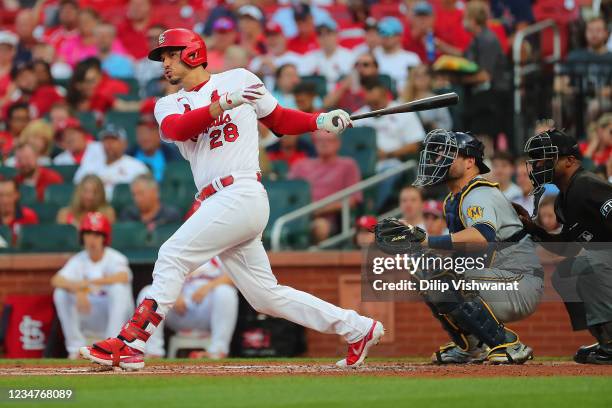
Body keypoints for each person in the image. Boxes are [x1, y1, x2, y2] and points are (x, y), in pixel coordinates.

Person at [79, 28, 383, 370]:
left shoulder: (240, 78)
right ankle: (358, 328)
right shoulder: (168, 103)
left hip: (241, 191)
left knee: (171, 255)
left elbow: (279, 120)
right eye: (162, 57)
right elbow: (180, 129)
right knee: (265, 296)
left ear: (192, 53)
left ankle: (132, 341)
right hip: (217, 201)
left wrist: (321, 120)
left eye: (170, 55)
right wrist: (224, 102)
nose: (164, 63)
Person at [409, 129, 542, 364]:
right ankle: (470, 346)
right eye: (439, 155)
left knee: (444, 275)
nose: (440, 160)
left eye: (449, 155)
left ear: (470, 161)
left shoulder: (478, 191)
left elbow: (482, 235)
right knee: (424, 271)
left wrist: (428, 241)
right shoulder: (454, 199)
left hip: (519, 281)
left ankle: (509, 344)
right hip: (497, 277)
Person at [519, 129, 612, 364]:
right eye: (537, 159)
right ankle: (604, 340)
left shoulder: (587, 185)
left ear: (570, 160)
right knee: (565, 272)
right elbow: (567, 248)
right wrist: (533, 229)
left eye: (547, 158)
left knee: (592, 263)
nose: (539, 164)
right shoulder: (562, 199)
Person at [51, 212, 134, 359]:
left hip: (112, 317)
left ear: (104, 238)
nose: (91, 239)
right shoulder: (78, 260)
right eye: (88, 234)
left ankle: (112, 346)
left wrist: (89, 284)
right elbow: (56, 280)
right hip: (88, 312)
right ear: (82, 237)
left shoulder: (115, 257)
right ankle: (75, 348)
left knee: (119, 289)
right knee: (60, 293)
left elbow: (124, 276)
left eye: (96, 235)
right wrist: (78, 289)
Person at [137, 257, 238, 359]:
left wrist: (209, 286)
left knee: (226, 291)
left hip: (207, 311)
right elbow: (160, 279)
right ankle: (153, 352)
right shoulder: (178, 252)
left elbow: (234, 277)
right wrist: (174, 293)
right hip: (178, 311)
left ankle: (218, 350)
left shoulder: (219, 254)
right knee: (148, 292)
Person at [354, 77, 426, 209]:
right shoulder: (358, 116)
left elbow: (415, 145)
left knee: (389, 169)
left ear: (384, 94)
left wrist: (387, 154)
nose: (373, 106)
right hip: (363, 166)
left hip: (392, 162)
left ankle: (371, 209)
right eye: (370, 102)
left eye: (376, 102)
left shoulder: (403, 112)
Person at [288, 130, 362, 243]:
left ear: (338, 143)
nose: (323, 144)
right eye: (319, 140)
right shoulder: (300, 165)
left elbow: (353, 199)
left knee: (320, 226)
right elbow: (287, 192)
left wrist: (319, 209)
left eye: (328, 140)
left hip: (327, 218)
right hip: (296, 215)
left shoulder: (348, 165)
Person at [74, 124, 149, 199]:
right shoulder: (89, 165)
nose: (109, 144)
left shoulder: (136, 166)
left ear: (124, 144)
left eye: (113, 139)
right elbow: (77, 188)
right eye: (106, 140)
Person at [128, 112, 181, 182]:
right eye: (140, 133)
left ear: (159, 134)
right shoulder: (129, 155)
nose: (144, 137)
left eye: (148, 132)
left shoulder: (173, 156)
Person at [248, 21, 302, 90]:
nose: (272, 40)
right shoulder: (258, 60)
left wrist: (276, 71)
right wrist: (259, 73)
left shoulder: (295, 59)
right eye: (268, 36)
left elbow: (298, 84)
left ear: (284, 38)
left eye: (275, 36)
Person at [373, 17, 421, 92]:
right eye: (382, 32)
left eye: (389, 33)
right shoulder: (372, 56)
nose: (385, 36)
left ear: (399, 36)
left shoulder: (412, 58)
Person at [304, 20, 354, 91]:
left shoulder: (349, 57)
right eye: (321, 35)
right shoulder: (309, 58)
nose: (325, 38)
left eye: (328, 33)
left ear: (337, 35)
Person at [402, 65, 452, 131]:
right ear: (412, 78)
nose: (422, 78)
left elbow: (447, 125)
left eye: (425, 74)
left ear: (430, 78)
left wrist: (432, 125)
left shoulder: (437, 100)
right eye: (418, 75)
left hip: (430, 137)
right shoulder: (404, 99)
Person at [0, 178, 38, 245]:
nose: (4, 200)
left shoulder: (28, 216)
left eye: (9, 195)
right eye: (1, 195)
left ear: (17, 195)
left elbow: (33, 244)